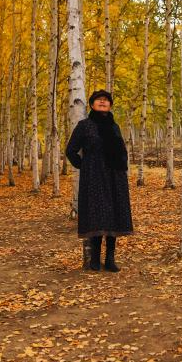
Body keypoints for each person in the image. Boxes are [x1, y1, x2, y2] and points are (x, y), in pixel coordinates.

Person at [64, 89, 133, 272]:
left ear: (110, 105)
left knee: (114, 215)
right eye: (99, 100)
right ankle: (95, 258)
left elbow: (121, 149)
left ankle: (110, 258)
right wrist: (84, 166)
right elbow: (70, 150)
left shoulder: (114, 127)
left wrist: (122, 164)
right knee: (96, 215)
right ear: (92, 104)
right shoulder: (84, 126)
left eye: (106, 100)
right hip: (94, 178)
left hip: (115, 177)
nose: (103, 102)